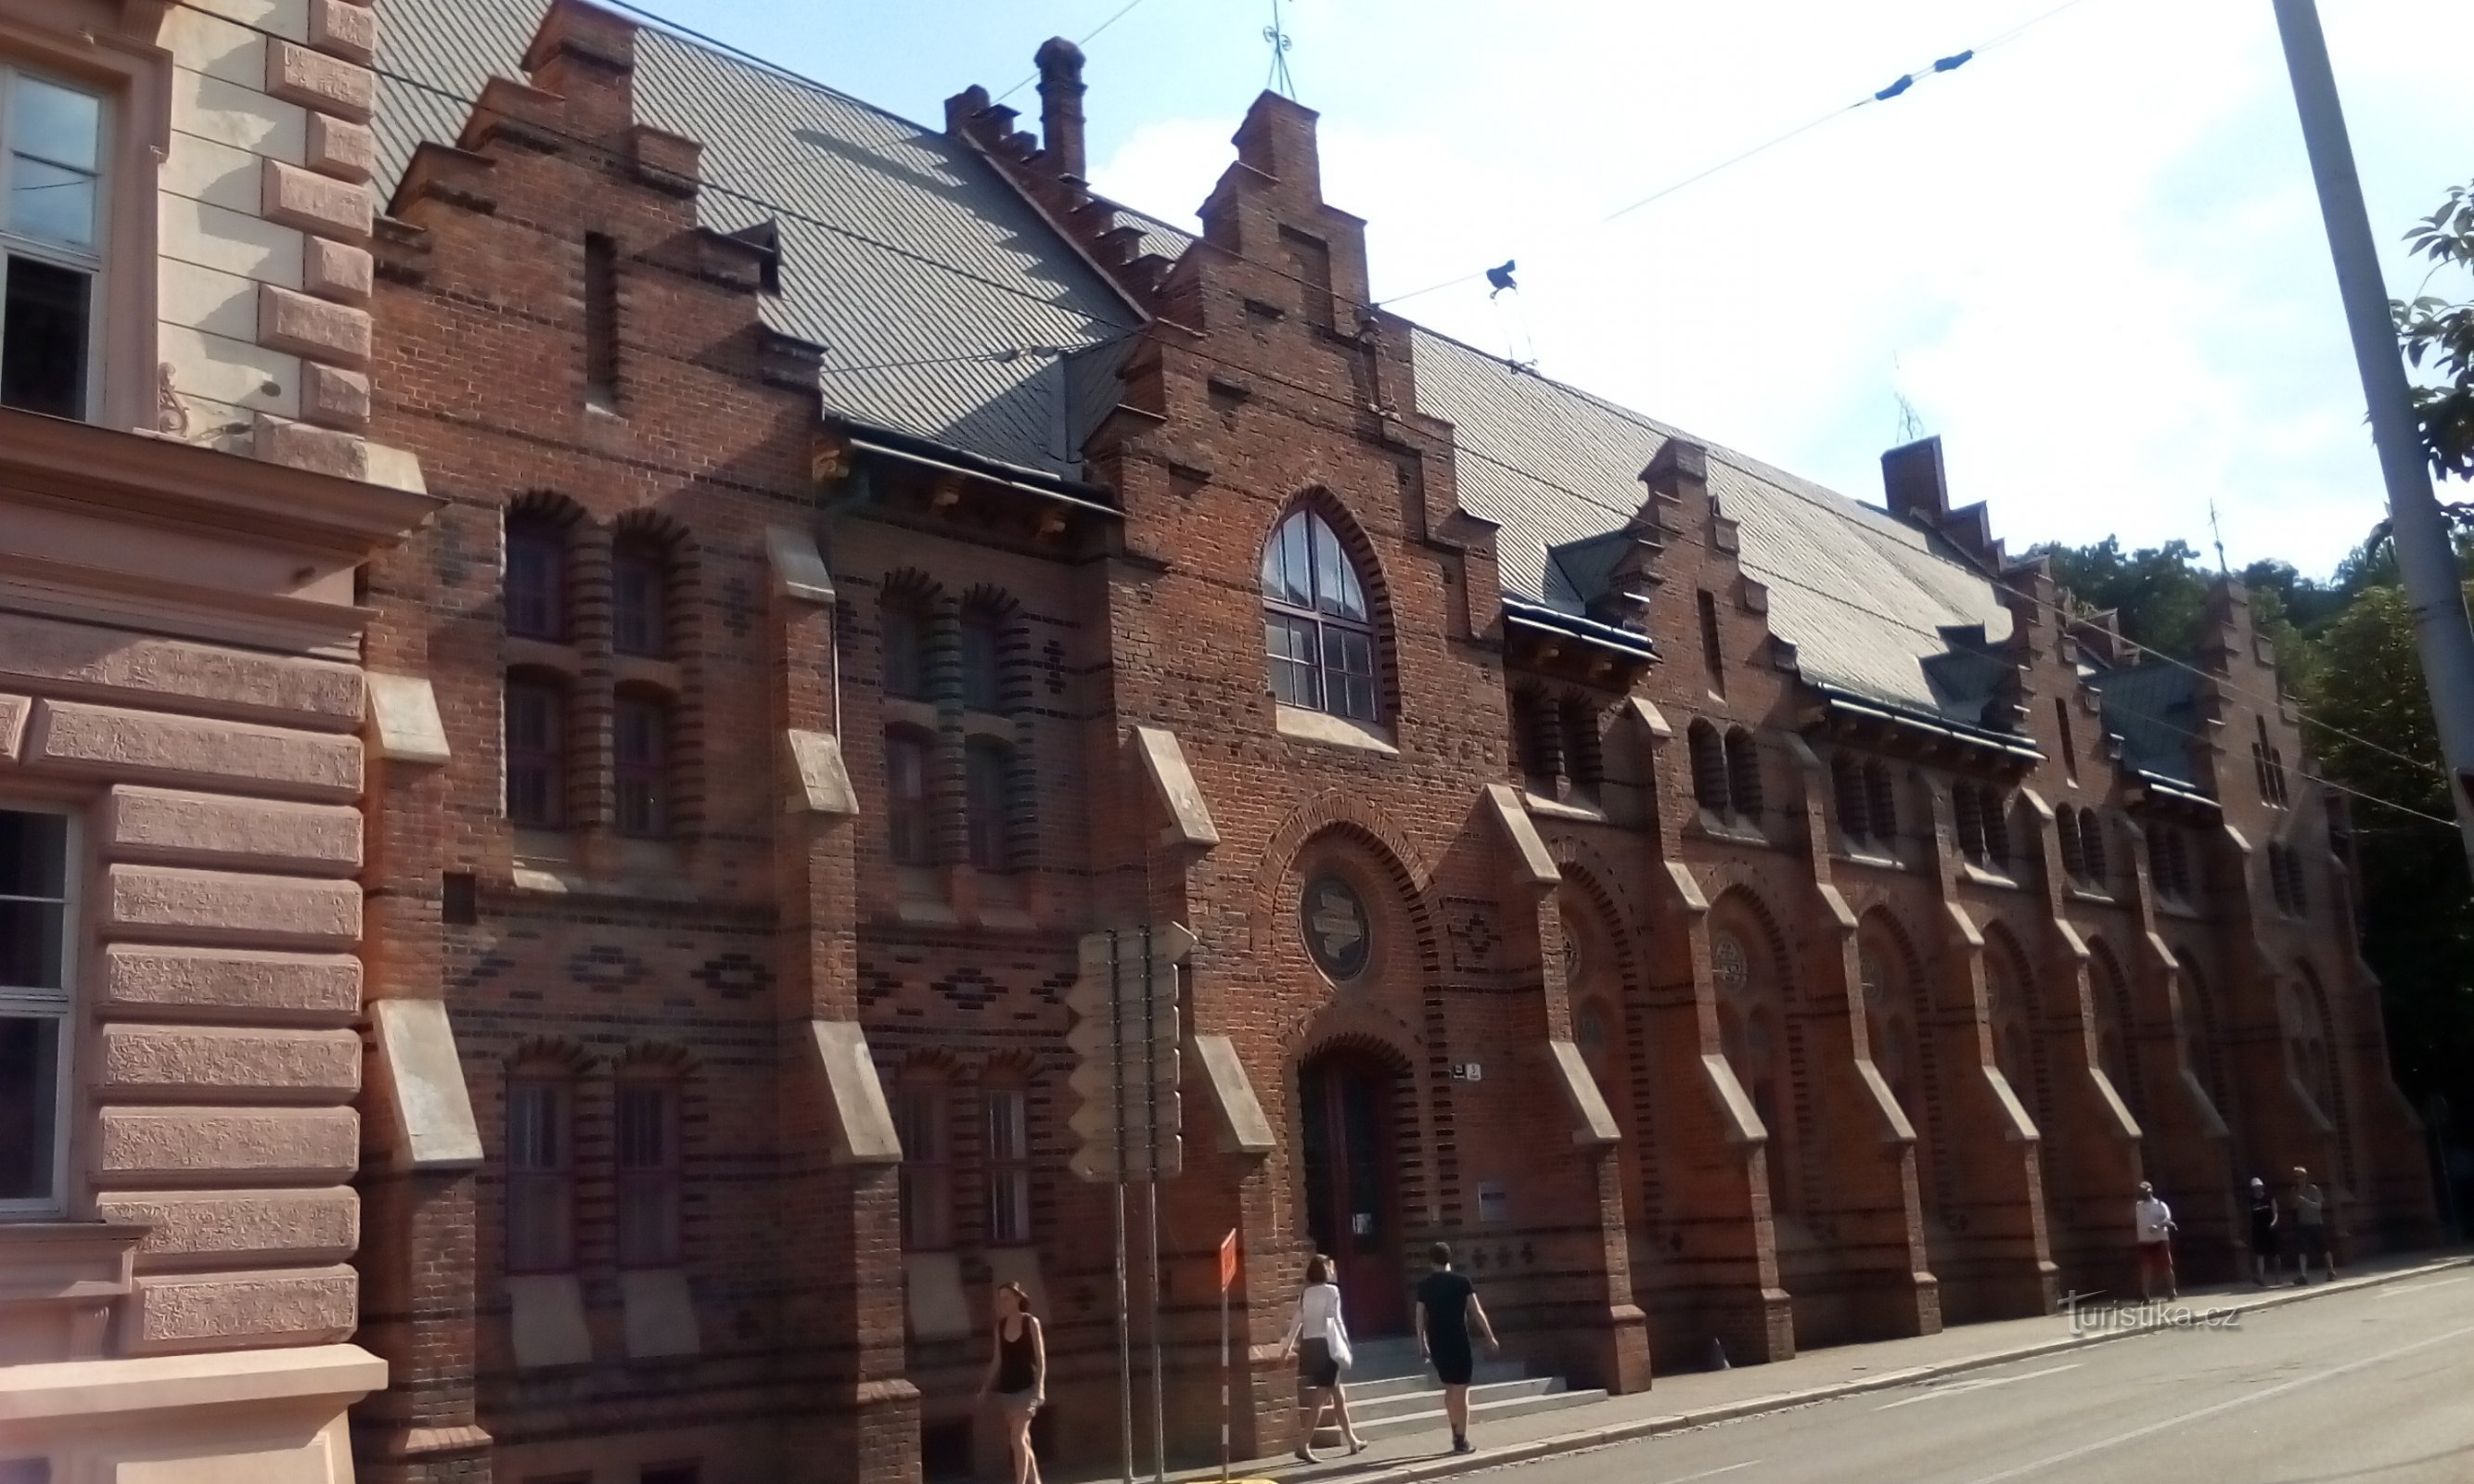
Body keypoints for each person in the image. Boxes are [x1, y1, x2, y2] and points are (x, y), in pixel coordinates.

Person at [1414, 1243, 1500, 1455]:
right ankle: (1460, 1439)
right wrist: (1489, 1336)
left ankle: (1455, 1431)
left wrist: (1421, 1343)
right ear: (1449, 1259)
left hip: (1437, 1340)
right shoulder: (1462, 1282)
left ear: (1431, 1262)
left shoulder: (1425, 1286)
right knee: (1461, 1389)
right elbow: (1476, 1311)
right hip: (1458, 1338)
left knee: (1449, 1387)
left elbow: (1419, 1317)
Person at [1278, 1254, 1365, 1462]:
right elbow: (1336, 1319)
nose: (1333, 1271)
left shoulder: (1305, 1294)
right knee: (1321, 1397)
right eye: (1331, 1267)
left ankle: (1353, 1440)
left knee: (1338, 1394)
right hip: (1327, 1345)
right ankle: (1303, 1444)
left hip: (1310, 1346)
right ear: (1326, 1270)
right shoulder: (1332, 1291)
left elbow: (1297, 1321)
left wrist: (1287, 1347)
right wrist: (1346, 1343)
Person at [977, 1283, 1045, 1484]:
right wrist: (985, 1388)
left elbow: (1040, 1359)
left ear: (1017, 1298)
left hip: (1029, 1390)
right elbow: (997, 1360)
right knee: (1022, 1441)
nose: (1003, 1303)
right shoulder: (1000, 1326)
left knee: (1017, 1437)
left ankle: (1020, 1482)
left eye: (1007, 1298)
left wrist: (1040, 1388)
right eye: (1001, 1298)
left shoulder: (1030, 1322)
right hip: (1008, 1391)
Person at [2132, 1181, 2177, 1302]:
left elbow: (2168, 1219)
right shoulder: (2138, 1206)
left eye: (2144, 1191)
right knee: (2145, 1268)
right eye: (2140, 1191)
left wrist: (2158, 1226)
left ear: (2150, 1191)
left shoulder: (2160, 1205)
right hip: (2144, 1240)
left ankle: (2171, 1291)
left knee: (2166, 1266)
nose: (2141, 1193)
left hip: (2160, 1239)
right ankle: (2145, 1294)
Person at [2291, 1166, 2337, 1284]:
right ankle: (2303, 1275)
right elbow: (2293, 1207)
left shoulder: (2313, 1189)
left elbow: (2319, 1206)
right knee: (2302, 1250)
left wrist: (2305, 1201)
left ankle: (2331, 1270)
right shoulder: (2294, 1190)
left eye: (2298, 1177)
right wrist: (2297, 1202)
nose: (2297, 1179)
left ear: (2304, 1177)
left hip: (2316, 1224)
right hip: (2302, 1224)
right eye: (2294, 1177)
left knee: (2324, 1248)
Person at [2248, 1176, 2281, 1286]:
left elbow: (2275, 1212)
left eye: (2259, 1187)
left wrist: (2274, 1222)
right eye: (2255, 1187)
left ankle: (2278, 1278)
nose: (2258, 1189)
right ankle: (2261, 1278)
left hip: (2270, 1228)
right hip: (2258, 1230)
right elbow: (2249, 1216)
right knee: (2260, 1254)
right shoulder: (2251, 1201)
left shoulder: (2269, 1198)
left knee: (2275, 1254)